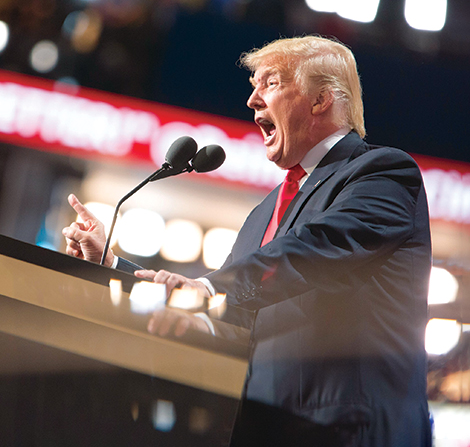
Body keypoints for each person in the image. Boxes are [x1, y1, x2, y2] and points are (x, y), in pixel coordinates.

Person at [63, 35, 432, 447]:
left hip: (350, 431)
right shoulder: (265, 213)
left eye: (270, 84)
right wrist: (114, 265)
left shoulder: (381, 174)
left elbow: (315, 249)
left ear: (321, 99)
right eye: (253, 86)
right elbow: (234, 311)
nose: (252, 101)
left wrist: (206, 289)